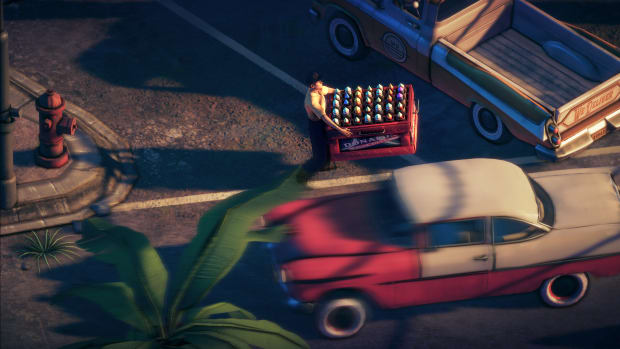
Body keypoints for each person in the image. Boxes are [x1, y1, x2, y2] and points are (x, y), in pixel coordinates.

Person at [303, 72, 352, 172]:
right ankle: (312, 169)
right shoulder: (312, 101)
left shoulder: (319, 89)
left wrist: (343, 92)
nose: (322, 83)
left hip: (323, 118)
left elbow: (330, 90)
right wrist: (340, 130)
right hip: (316, 124)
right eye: (319, 82)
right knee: (320, 148)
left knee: (329, 144)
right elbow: (324, 118)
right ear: (312, 86)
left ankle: (326, 162)